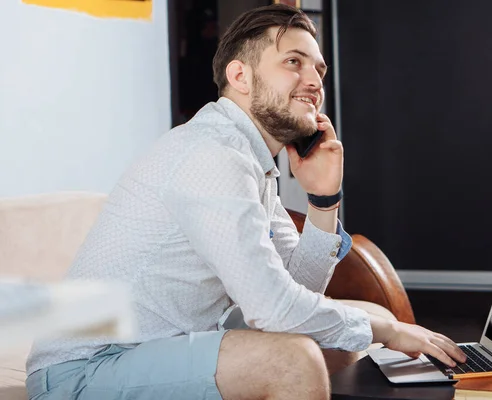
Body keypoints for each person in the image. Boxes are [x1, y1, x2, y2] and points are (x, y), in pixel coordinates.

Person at [25, 4, 466, 400]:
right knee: (293, 358)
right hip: (82, 371)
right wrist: (386, 331)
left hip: (162, 344)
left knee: (361, 316)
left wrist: (323, 199)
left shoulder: (252, 162)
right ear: (240, 77)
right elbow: (274, 309)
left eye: (319, 70)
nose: (313, 82)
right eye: (293, 63)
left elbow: (298, 291)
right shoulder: (211, 154)